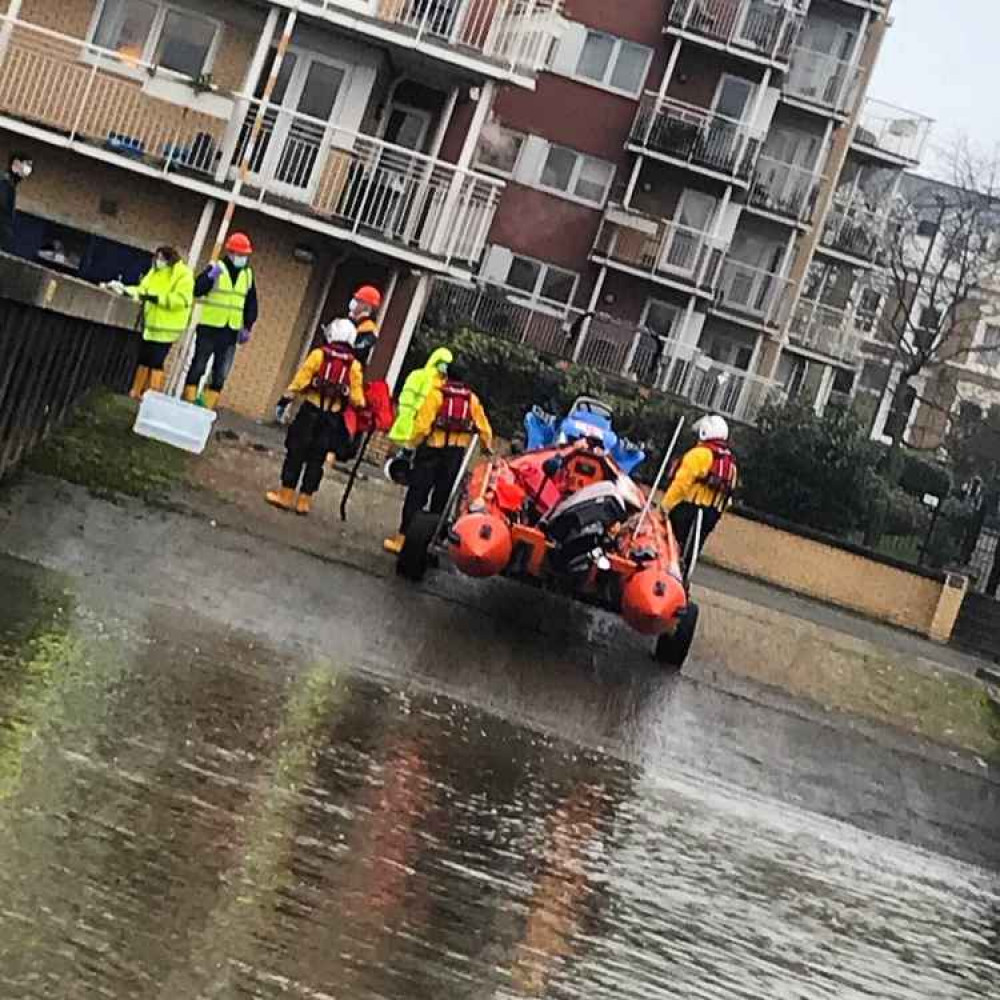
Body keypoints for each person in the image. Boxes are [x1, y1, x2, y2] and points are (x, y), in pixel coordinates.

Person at [384, 361, 493, 554]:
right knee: (442, 498)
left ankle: (402, 539)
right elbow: (484, 429)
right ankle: (430, 543)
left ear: (446, 376)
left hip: (431, 452)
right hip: (455, 455)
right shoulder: (472, 400)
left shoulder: (436, 395)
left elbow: (422, 427)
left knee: (417, 495)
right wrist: (486, 447)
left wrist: (412, 444)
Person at [265, 318, 365, 516]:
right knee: (317, 459)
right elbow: (358, 399)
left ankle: (285, 495)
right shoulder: (353, 366)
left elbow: (300, 380)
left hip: (310, 411)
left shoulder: (318, 355)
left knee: (296, 452)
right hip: (332, 419)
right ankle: (304, 501)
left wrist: (285, 399)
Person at [107, 247, 194, 399]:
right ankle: (136, 391)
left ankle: (151, 395)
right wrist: (125, 290)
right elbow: (143, 290)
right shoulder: (155, 272)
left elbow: (182, 300)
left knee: (156, 361)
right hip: (152, 325)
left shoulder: (183, 275)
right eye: (157, 258)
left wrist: (157, 298)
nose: (158, 262)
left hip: (168, 326)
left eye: (161, 258)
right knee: (144, 358)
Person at [184, 232, 258, 410]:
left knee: (220, 374)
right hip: (210, 328)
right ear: (231, 253)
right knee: (198, 366)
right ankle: (188, 402)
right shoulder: (216, 269)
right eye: (240, 254)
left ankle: (206, 406)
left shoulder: (247, 275)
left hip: (230, 331)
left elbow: (251, 302)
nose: (243, 258)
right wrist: (209, 278)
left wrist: (247, 326)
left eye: (245, 255)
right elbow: (197, 290)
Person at [661, 414, 738, 561]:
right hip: (712, 513)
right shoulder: (731, 464)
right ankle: (685, 572)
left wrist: (665, 506)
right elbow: (728, 496)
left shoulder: (698, 455)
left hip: (687, 508)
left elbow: (681, 485)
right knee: (692, 550)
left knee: (669, 544)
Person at [1, 151, 33, 252]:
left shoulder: (9, 186)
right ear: (15, 165)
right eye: (25, 166)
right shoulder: (4, 184)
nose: (26, 172)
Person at [349, 285, 382, 366]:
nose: (354, 302)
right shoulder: (348, 321)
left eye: (359, 300)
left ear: (367, 306)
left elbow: (359, 351)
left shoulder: (369, 329)